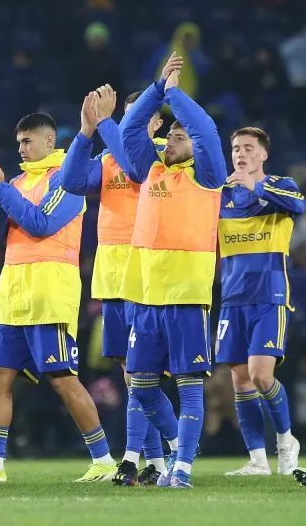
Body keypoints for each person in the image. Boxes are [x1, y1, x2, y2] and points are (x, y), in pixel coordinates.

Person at [0, 111, 115, 484]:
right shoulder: (16, 181)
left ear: (49, 140)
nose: (21, 148)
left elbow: (40, 224)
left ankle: (103, 460)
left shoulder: (67, 179)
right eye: (19, 142)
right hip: (12, 291)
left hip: (50, 291)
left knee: (62, 378)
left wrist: (2, 192)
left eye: (27, 141)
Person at [114, 53, 226, 488]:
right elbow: (128, 129)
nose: (171, 142)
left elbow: (205, 129)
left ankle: (182, 470)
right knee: (140, 386)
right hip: (145, 295)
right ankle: (179, 447)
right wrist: (158, 89)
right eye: (169, 136)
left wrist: (175, 96)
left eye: (179, 137)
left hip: (185, 295)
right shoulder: (152, 169)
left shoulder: (208, 176)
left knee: (188, 384)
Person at [60, 88, 176, 486]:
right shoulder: (108, 156)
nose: (129, 126)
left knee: (143, 373)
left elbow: (137, 168)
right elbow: (71, 181)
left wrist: (108, 124)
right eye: (125, 118)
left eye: (137, 118)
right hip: (111, 276)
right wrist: (85, 132)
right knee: (132, 376)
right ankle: (157, 462)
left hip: (145, 271)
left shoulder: (161, 154)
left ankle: (157, 453)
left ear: (156, 123)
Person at [217, 126, 303, 476]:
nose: (241, 153)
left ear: (264, 154)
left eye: (249, 148)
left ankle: (286, 441)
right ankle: (257, 460)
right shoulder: (221, 195)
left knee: (261, 375)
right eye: (236, 148)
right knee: (240, 380)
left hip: (269, 295)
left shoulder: (282, 185)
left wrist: (253, 186)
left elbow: (299, 205)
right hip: (232, 297)